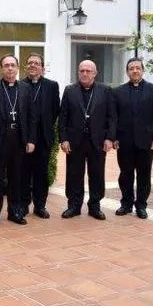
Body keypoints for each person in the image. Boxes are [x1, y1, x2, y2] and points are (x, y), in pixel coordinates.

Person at [0, 54, 37, 226]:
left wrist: (31, 140)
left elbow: (32, 118)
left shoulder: (26, 88)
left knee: (17, 178)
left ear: (18, 68)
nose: (10, 68)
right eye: (6, 65)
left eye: (13, 65)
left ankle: (14, 211)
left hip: (19, 139)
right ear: (1, 69)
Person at [59, 60, 117, 220]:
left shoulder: (105, 90)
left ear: (95, 73)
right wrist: (63, 139)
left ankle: (95, 206)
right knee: (74, 174)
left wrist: (110, 138)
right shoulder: (70, 90)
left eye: (88, 71)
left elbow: (112, 117)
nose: (84, 73)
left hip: (97, 141)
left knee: (97, 174)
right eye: (81, 70)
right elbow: (63, 117)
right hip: (75, 141)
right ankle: (74, 206)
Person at [113, 58, 153, 219]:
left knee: (144, 175)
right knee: (125, 174)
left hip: (146, 141)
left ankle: (141, 205)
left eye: (137, 68)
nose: (134, 71)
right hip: (124, 140)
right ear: (127, 72)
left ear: (142, 70)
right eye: (131, 68)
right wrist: (114, 137)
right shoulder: (118, 92)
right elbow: (114, 117)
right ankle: (126, 204)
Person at [20, 53, 60, 219]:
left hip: (43, 138)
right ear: (25, 67)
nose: (32, 66)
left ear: (42, 68)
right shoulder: (19, 84)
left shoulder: (52, 85)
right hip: (23, 138)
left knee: (41, 174)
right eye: (29, 63)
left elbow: (55, 110)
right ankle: (23, 205)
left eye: (36, 63)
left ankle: (40, 206)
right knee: (23, 173)